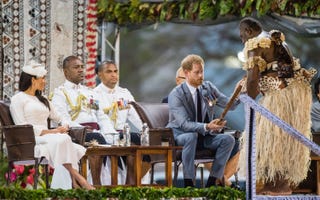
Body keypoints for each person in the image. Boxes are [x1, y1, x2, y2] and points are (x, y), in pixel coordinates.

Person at [239, 17, 316, 195]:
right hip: (296, 95)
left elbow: (253, 79)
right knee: (281, 139)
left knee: (273, 138)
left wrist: (249, 102)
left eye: (241, 36)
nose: (242, 40)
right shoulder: (278, 40)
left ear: (249, 31)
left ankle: (278, 185)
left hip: (281, 96)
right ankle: (280, 184)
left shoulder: (255, 43)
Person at [10, 61, 94, 190]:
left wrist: (65, 126)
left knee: (64, 139)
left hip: (49, 138)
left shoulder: (42, 99)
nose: (44, 81)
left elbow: (59, 117)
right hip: (31, 139)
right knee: (62, 140)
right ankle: (78, 180)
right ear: (33, 80)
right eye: (42, 78)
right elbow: (22, 127)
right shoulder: (18, 99)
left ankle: (75, 182)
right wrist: (54, 132)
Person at [167, 54, 242, 188]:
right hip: (181, 135)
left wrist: (240, 92)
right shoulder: (176, 94)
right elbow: (184, 124)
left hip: (204, 136)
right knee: (191, 136)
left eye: (202, 71)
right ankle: (189, 184)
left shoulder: (208, 88)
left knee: (228, 140)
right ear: (186, 73)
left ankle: (212, 184)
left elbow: (229, 104)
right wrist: (208, 126)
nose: (201, 76)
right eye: (197, 72)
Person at [51, 55, 125, 185]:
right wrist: (82, 129)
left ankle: (123, 185)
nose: (81, 70)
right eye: (76, 67)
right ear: (66, 71)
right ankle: (95, 185)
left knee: (123, 139)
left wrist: (111, 133)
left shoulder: (89, 92)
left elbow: (101, 115)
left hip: (96, 131)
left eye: (81, 67)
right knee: (98, 139)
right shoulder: (60, 93)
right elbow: (62, 118)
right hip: (76, 132)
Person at [94, 60, 150, 184]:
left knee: (148, 148)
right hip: (105, 136)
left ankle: (132, 184)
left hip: (124, 135)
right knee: (131, 146)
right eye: (109, 72)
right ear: (99, 75)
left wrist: (148, 131)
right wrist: (113, 136)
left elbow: (137, 116)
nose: (114, 75)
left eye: (115, 71)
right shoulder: (94, 95)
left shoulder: (124, 93)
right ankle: (129, 185)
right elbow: (100, 119)